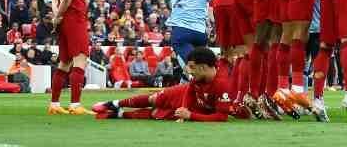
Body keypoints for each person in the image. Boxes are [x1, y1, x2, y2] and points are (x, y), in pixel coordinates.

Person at [93, 47, 246, 121]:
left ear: (203, 67)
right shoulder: (198, 77)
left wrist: (190, 115)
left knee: (156, 114)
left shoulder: (221, 83)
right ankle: (112, 103)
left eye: (192, 67)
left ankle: (117, 114)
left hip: (198, 108)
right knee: (155, 99)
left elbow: (221, 117)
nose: (189, 71)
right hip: (182, 95)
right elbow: (190, 90)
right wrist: (184, 108)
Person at [48, 0, 92, 115]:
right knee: (80, 59)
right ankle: (75, 105)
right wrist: (58, 15)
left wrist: (56, 16)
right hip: (74, 17)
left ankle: (55, 104)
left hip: (64, 18)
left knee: (64, 62)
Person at [165, 0, 217, 75]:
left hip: (181, 32)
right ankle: (189, 89)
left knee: (193, 69)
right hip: (200, 33)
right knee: (199, 67)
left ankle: (203, 87)